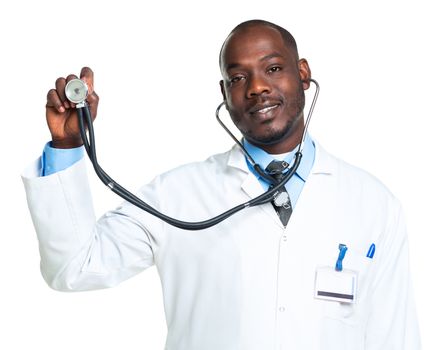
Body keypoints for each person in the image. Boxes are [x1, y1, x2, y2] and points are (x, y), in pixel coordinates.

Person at [22, 19, 421, 349]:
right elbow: (73, 268)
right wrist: (68, 146)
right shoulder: (177, 195)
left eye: (274, 69)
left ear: (303, 74)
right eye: (237, 77)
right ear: (225, 95)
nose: (257, 87)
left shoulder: (372, 204)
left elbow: (395, 338)